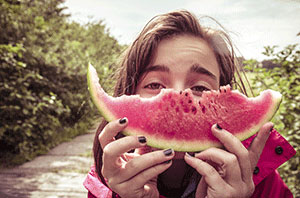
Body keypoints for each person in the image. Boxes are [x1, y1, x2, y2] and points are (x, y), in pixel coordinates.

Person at [84, 10, 296, 198]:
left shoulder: (259, 181)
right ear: (129, 93)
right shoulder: (107, 184)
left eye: (201, 88)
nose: (178, 96)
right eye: (155, 84)